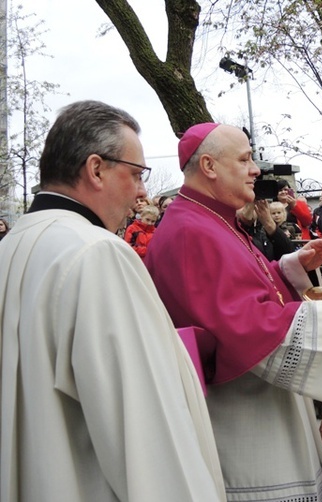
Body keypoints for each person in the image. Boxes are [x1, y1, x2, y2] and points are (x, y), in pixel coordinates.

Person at [145, 122, 322, 501]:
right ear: (209, 166)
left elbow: (240, 290)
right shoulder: (191, 231)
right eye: (244, 159)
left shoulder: (209, 219)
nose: (256, 169)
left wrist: (292, 266)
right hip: (242, 415)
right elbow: (239, 326)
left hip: (261, 403)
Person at [0, 100, 225, 501]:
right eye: (137, 175)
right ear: (96, 169)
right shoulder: (96, 253)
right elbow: (145, 431)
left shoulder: (11, 247)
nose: (142, 193)